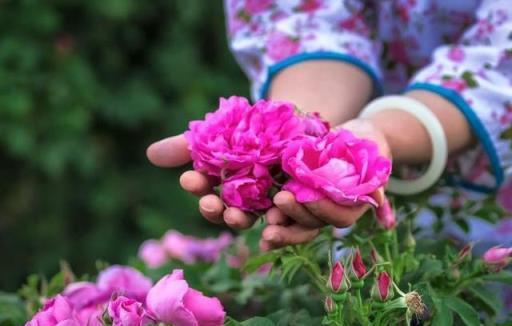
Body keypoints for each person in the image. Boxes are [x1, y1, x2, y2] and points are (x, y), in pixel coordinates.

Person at [147, 0, 512, 251]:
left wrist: (380, 135)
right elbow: (304, 16)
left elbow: (503, 60)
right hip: (356, 232)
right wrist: (298, 129)